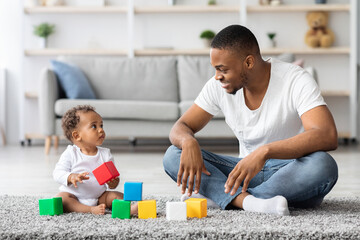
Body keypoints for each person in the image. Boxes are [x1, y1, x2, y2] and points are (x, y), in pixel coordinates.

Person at [163, 25, 338, 216]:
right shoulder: (218, 85)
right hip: (241, 174)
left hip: (288, 172)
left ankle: (222, 197)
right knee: (173, 154)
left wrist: (264, 152)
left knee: (323, 165)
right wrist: (188, 141)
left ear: (248, 62)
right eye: (215, 69)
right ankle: (251, 202)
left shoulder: (295, 79)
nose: (217, 76)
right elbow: (181, 127)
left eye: (223, 69)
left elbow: (326, 134)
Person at [53, 105, 138, 215]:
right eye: (94, 126)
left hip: (99, 197)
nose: (101, 130)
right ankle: (90, 210)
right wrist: (70, 177)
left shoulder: (105, 154)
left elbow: (112, 183)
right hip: (74, 196)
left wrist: (113, 182)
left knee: (116, 195)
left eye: (101, 125)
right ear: (77, 135)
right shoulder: (70, 153)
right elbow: (57, 173)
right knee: (61, 198)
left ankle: (130, 209)